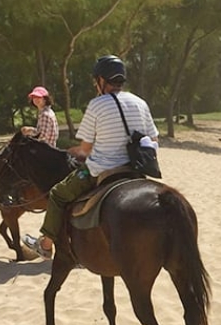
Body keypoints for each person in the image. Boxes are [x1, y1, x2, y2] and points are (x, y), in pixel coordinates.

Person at [23, 55, 160, 259]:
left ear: (101, 80)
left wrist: (78, 150)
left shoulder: (97, 104)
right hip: (136, 169)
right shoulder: (140, 102)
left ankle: (45, 244)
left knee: (58, 194)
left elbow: (86, 149)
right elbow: (154, 139)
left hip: (102, 170)